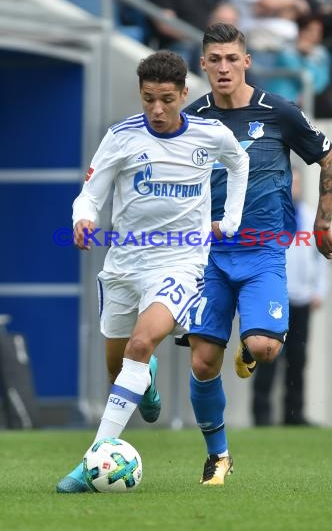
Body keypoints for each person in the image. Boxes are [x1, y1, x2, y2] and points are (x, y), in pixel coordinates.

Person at [56, 49, 249, 493]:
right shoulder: (121, 137)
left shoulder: (210, 134)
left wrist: (231, 219)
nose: (157, 110)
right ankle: (146, 382)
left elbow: (239, 163)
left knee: (142, 344)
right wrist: (82, 220)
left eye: (166, 99)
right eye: (148, 100)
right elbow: (90, 195)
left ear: (185, 93)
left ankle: (91, 463)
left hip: (181, 261)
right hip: (124, 263)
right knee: (118, 365)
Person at [175, 22, 332, 485]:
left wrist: (322, 224)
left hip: (264, 250)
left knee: (264, 348)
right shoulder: (192, 120)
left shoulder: (279, 112)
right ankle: (219, 456)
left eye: (233, 58)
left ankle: (251, 347)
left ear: (246, 61)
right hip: (208, 254)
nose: (224, 68)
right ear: (203, 64)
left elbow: (331, 158)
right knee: (203, 361)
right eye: (215, 60)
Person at [252, 166, 328, 426]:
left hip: (302, 299)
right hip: (274, 300)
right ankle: (261, 416)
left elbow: (321, 258)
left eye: (296, 183)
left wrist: (319, 290)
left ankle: (293, 416)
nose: (292, 187)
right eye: (287, 182)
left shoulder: (309, 216)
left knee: (298, 359)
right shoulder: (266, 216)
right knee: (268, 355)